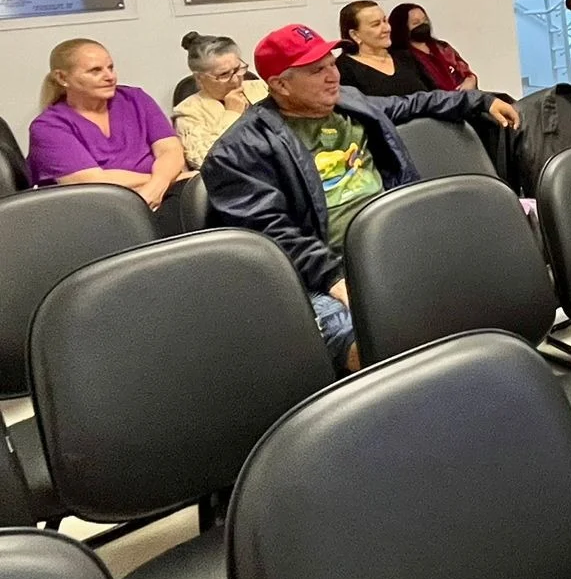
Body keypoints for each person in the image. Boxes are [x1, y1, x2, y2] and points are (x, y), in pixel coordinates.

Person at [203, 24, 520, 373]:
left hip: (391, 246)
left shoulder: (351, 103)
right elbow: (271, 234)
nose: (331, 77)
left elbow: (415, 102)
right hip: (316, 276)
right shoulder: (239, 151)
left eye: (331, 64)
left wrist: (480, 100)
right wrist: (336, 277)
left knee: (484, 286)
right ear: (280, 84)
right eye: (316, 70)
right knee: (369, 344)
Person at [29, 38, 189, 235]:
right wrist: (173, 179)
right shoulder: (48, 126)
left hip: (161, 196)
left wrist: (158, 186)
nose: (110, 76)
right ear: (62, 78)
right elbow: (92, 181)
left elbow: (170, 149)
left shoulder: (135, 99)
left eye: (110, 67)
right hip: (97, 212)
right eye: (95, 71)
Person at [173, 31, 269, 168]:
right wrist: (232, 115)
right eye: (224, 74)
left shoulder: (262, 88)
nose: (236, 79)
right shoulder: (188, 112)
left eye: (237, 69)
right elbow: (203, 161)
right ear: (200, 78)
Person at [335, 0, 436, 97]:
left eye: (385, 21)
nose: (387, 29)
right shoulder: (344, 68)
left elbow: (433, 95)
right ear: (355, 35)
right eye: (376, 25)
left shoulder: (405, 57)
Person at [388, 2, 477, 91]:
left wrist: (470, 80)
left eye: (425, 20)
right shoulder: (402, 59)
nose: (423, 24)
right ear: (402, 28)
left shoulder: (443, 47)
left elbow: (464, 70)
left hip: (465, 98)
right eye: (416, 23)